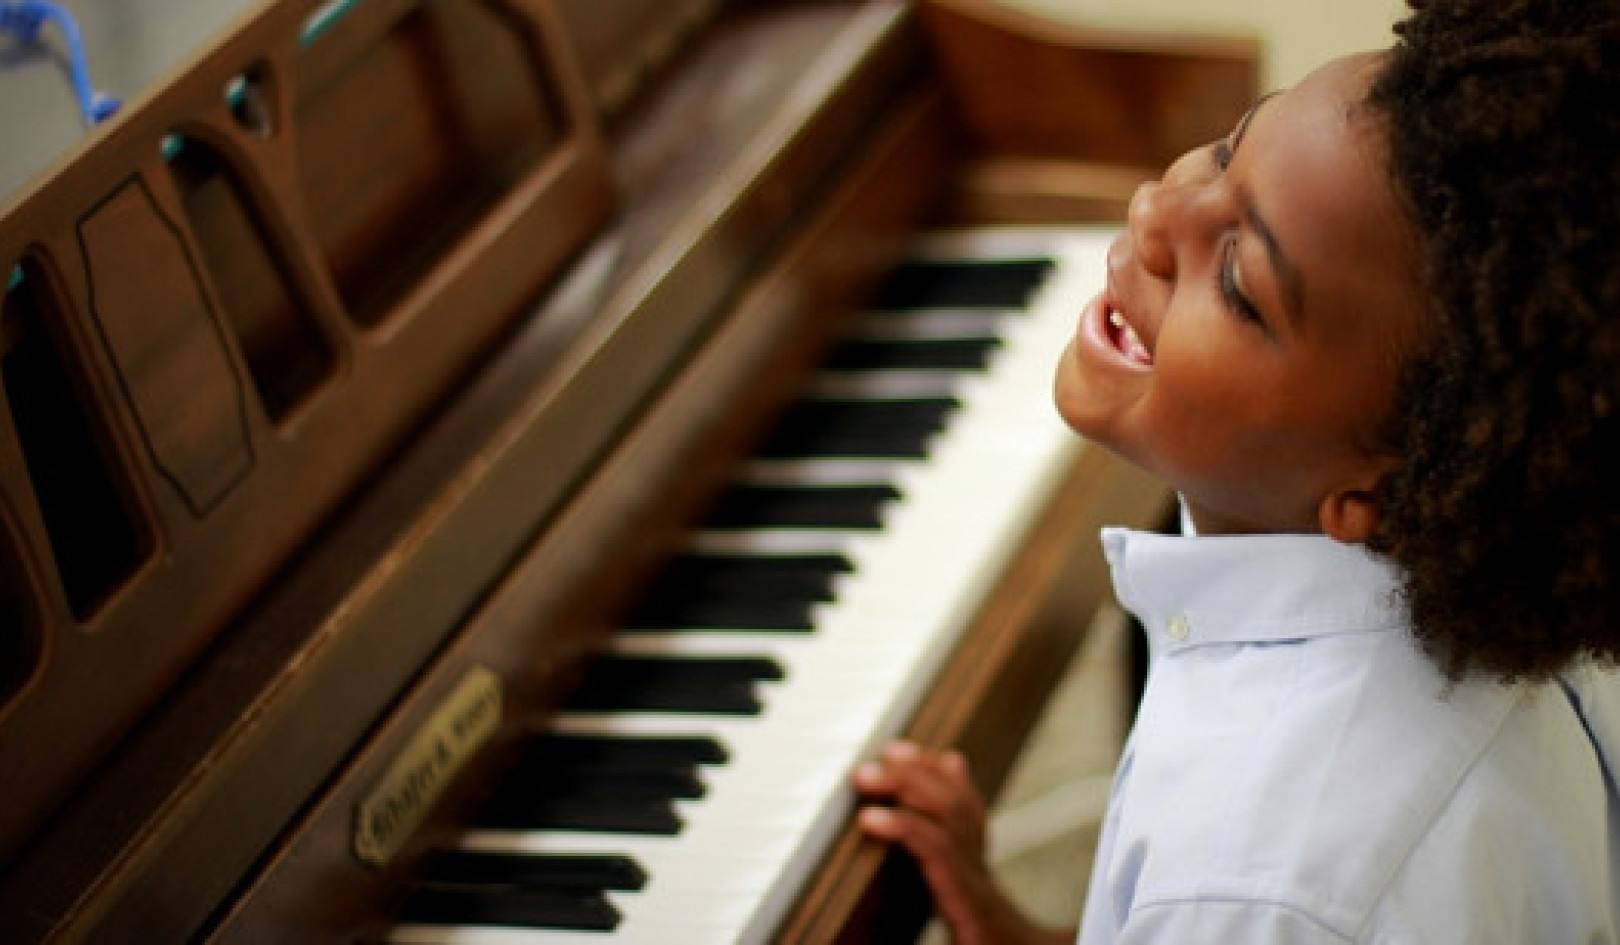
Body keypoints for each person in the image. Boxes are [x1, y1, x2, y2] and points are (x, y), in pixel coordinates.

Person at [853, 0, 1620, 941]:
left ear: (1373, 494)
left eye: (1239, 287)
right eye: (1227, 152)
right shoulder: (1506, 606)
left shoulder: (1253, 887)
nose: (1152, 210)